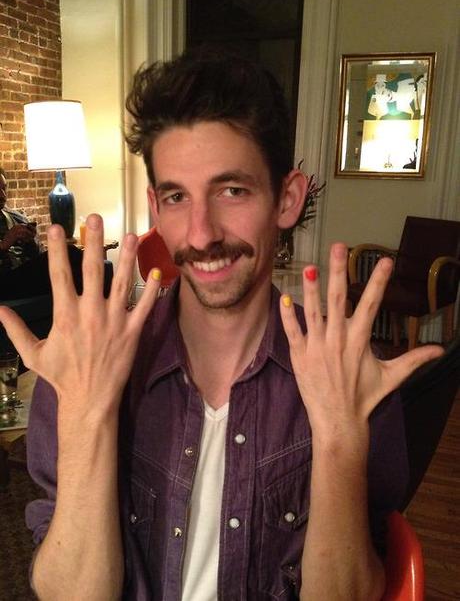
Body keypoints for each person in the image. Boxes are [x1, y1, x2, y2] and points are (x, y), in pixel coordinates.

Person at [0, 48, 442, 600]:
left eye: (232, 190)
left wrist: (337, 441)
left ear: (286, 198)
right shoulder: (83, 365)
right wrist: (88, 417)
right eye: (177, 196)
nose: (202, 234)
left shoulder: (349, 376)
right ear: (154, 208)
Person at [0, 168, 84, 300]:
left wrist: (30, 241)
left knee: (72, 257)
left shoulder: (17, 218)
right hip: (4, 282)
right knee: (69, 253)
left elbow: (38, 255)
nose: (2, 195)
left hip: (24, 276)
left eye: (4, 189)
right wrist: (4, 245)